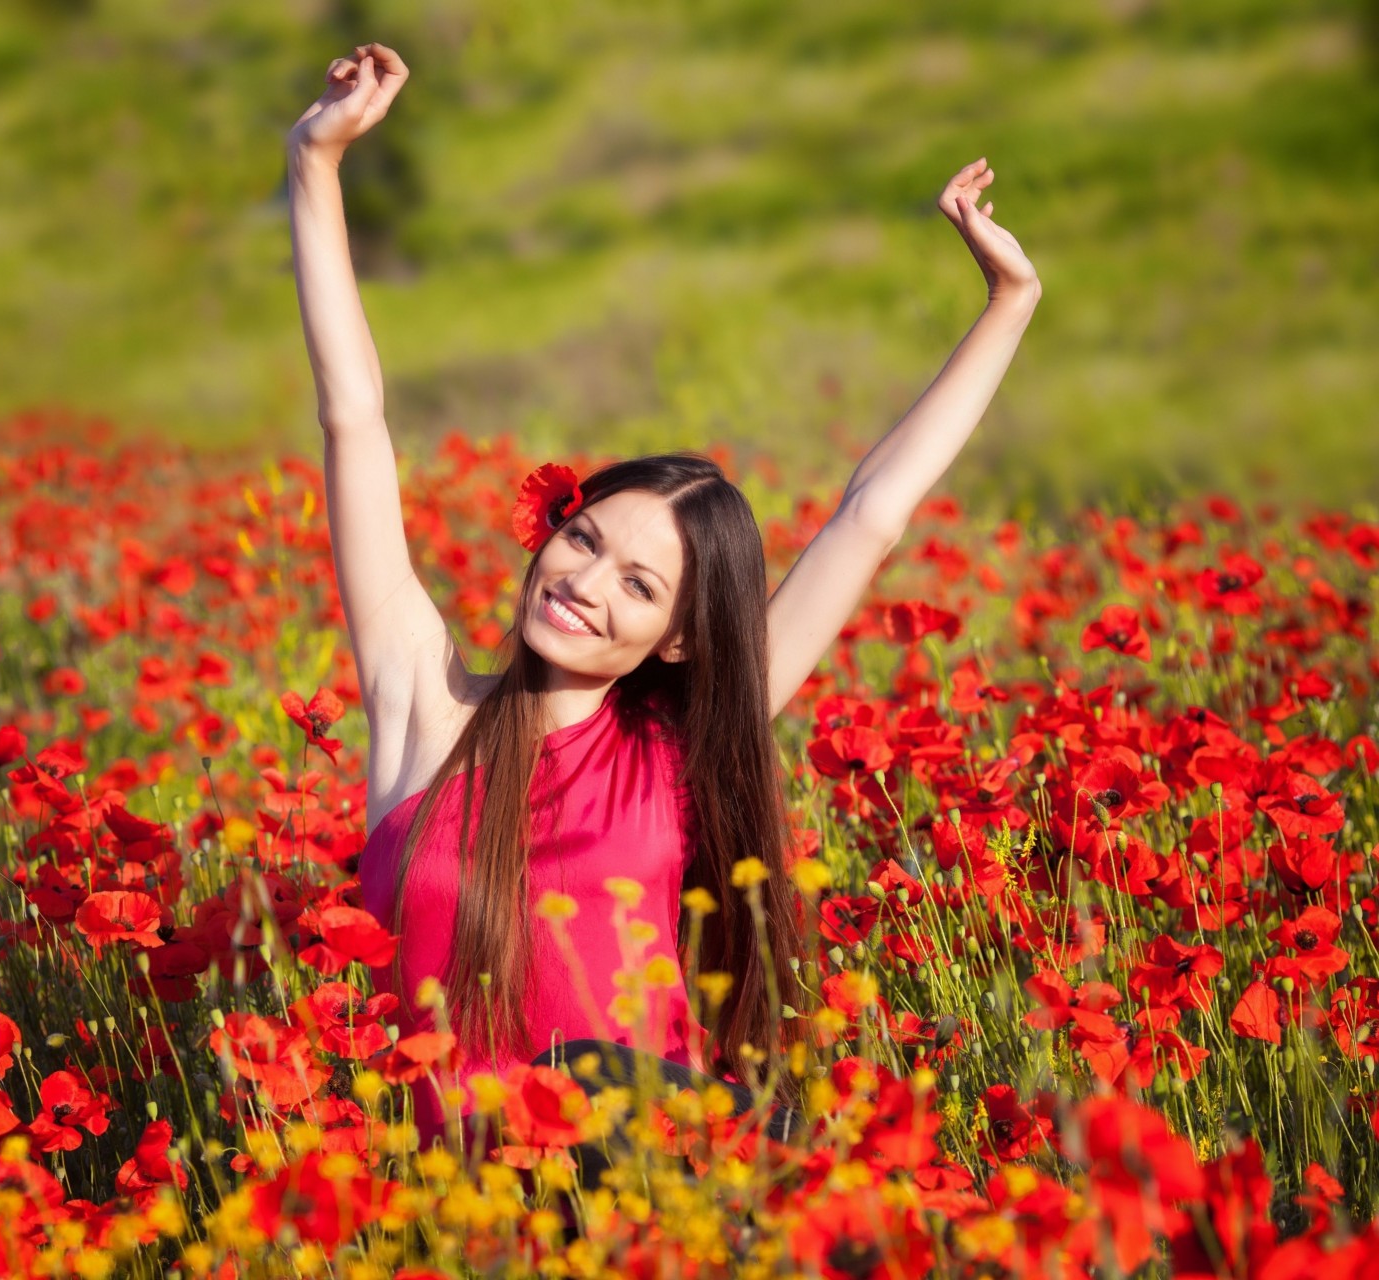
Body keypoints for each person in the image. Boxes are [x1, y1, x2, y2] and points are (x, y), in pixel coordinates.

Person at [285, 43, 1040, 1180]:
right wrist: (315, 164)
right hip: (453, 1208)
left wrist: (1011, 300)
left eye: (639, 585)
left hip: (648, 1193)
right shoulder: (422, 707)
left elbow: (870, 515)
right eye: (585, 539)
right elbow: (354, 415)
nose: (585, 582)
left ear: (681, 637)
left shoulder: (678, 743)